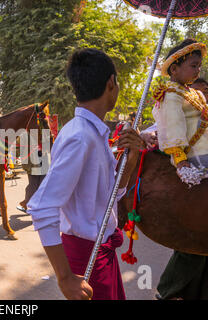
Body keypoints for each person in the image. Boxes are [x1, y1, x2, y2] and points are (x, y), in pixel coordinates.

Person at [27, 48, 144, 300]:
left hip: (101, 252)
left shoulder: (94, 133)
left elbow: (111, 193)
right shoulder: (80, 137)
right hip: (85, 257)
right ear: (111, 83)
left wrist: (131, 158)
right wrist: (65, 278)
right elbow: (41, 207)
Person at [154, 76, 208, 300]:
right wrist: (150, 135)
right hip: (191, 171)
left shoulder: (198, 103)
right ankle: (169, 290)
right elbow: (166, 128)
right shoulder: (173, 97)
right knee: (195, 240)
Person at [152, 39, 208, 176]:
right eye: (194, 66)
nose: (198, 70)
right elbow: (173, 125)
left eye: (199, 66)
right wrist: (180, 159)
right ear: (174, 69)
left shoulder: (196, 93)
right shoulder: (171, 95)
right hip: (195, 154)